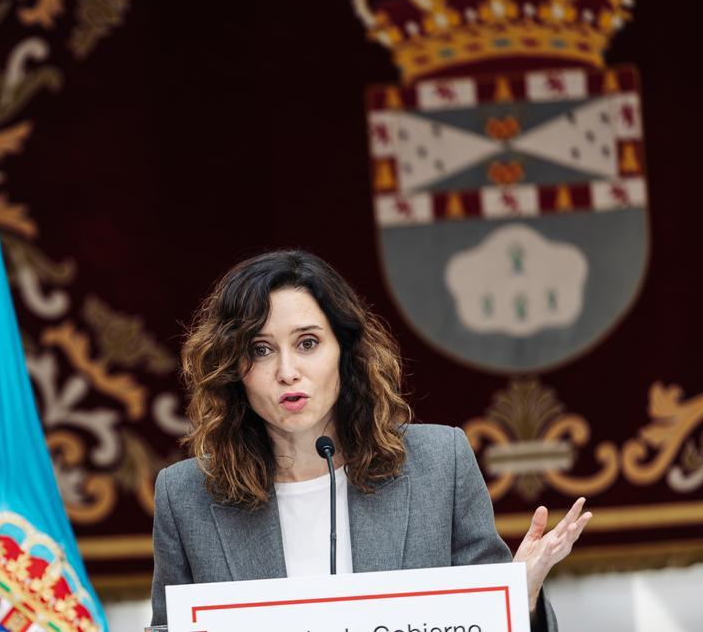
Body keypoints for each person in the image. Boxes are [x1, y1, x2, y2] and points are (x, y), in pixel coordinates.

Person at [150, 250, 591, 630]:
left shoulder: (440, 465)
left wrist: (521, 596)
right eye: (261, 349)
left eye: (307, 343)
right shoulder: (184, 496)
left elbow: (488, 620)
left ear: (344, 352)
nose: (287, 370)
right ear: (232, 367)